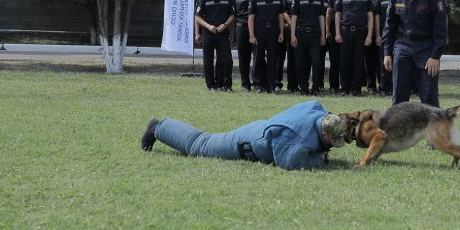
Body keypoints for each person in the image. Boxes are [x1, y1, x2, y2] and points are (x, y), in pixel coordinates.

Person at [140, 101, 347, 171]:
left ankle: (161, 127)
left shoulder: (319, 112)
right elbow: (289, 163)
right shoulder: (297, 140)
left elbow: (316, 104)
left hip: (260, 128)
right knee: (200, 145)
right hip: (245, 143)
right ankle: (159, 127)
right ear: (323, 132)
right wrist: (319, 160)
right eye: (332, 140)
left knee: (203, 142)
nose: (333, 145)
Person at [382, 0, 448, 107]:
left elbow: (441, 30)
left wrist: (435, 56)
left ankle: (433, 129)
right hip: (403, 47)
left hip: (426, 49)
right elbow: (389, 27)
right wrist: (387, 53)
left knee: (429, 96)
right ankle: (399, 129)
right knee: (399, 96)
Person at [334, 0, 374, 96]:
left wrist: (369, 36)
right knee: (344, 60)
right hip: (345, 31)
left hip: (361, 31)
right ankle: (345, 88)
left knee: (358, 61)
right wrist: (337, 33)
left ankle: (356, 89)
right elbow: (337, 15)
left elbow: (370, 17)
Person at [194, 0, 235, 91]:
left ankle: (226, 85)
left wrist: (225, 25)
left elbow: (232, 15)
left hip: (222, 32)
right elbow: (197, 16)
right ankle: (211, 85)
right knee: (208, 61)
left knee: (227, 60)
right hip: (208, 32)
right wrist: (204, 29)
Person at [248, 0, 285, 94]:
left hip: (274, 31)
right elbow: (251, 17)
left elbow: (280, 16)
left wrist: (281, 32)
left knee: (272, 59)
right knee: (258, 58)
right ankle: (258, 84)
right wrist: (252, 35)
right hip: (259, 31)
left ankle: (270, 85)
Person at [291, 0, 326, 95]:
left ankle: (315, 88)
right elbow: (294, 17)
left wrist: (323, 34)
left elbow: (322, 17)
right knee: (301, 63)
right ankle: (304, 88)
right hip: (300, 33)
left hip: (315, 34)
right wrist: (292, 35)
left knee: (316, 61)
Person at [325, 0, 350, 94]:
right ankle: (334, 86)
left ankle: (347, 86)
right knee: (334, 60)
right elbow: (329, 13)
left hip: (349, 30)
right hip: (336, 30)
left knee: (347, 59)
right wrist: (328, 30)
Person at [375, 0, 399, 96]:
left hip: (399, 35)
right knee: (383, 62)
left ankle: (397, 88)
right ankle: (384, 88)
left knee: (398, 62)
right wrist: (378, 35)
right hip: (385, 35)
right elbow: (377, 17)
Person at [231, 0, 256, 91]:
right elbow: (233, 16)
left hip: (256, 29)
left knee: (257, 57)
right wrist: (232, 33)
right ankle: (245, 84)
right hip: (241, 28)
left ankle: (257, 83)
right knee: (243, 58)